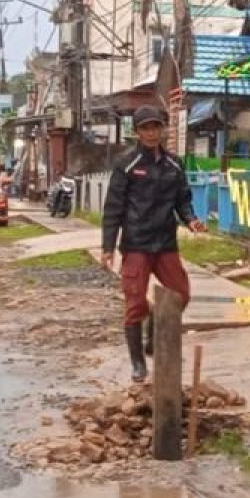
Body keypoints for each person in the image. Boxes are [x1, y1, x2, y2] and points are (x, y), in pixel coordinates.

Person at [102, 105, 206, 383]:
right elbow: (113, 208)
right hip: (136, 243)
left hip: (165, 242)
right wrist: (108, 247)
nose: (151, 133)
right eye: (145, 128)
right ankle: (138, 363)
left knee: (180, 294)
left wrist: (191, 220)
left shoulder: (174, 164)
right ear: (136, 132)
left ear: (163, 129)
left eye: (155, 127)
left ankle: (154, 333)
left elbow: (183, 200)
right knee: (135, 303)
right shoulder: (126, 164)